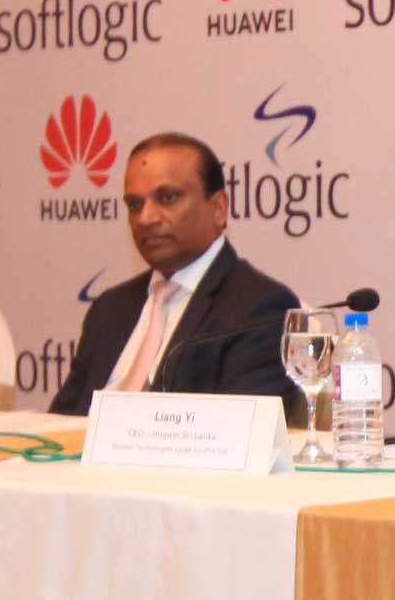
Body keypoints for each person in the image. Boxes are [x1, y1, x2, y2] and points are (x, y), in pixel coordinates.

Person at [50, 133, 300, 417]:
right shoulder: (109, 309)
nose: (145, 218)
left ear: (218, 209)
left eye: (167, 198)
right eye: (135, 205)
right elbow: (61, 420)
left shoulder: (261, 309)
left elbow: (242, 429)